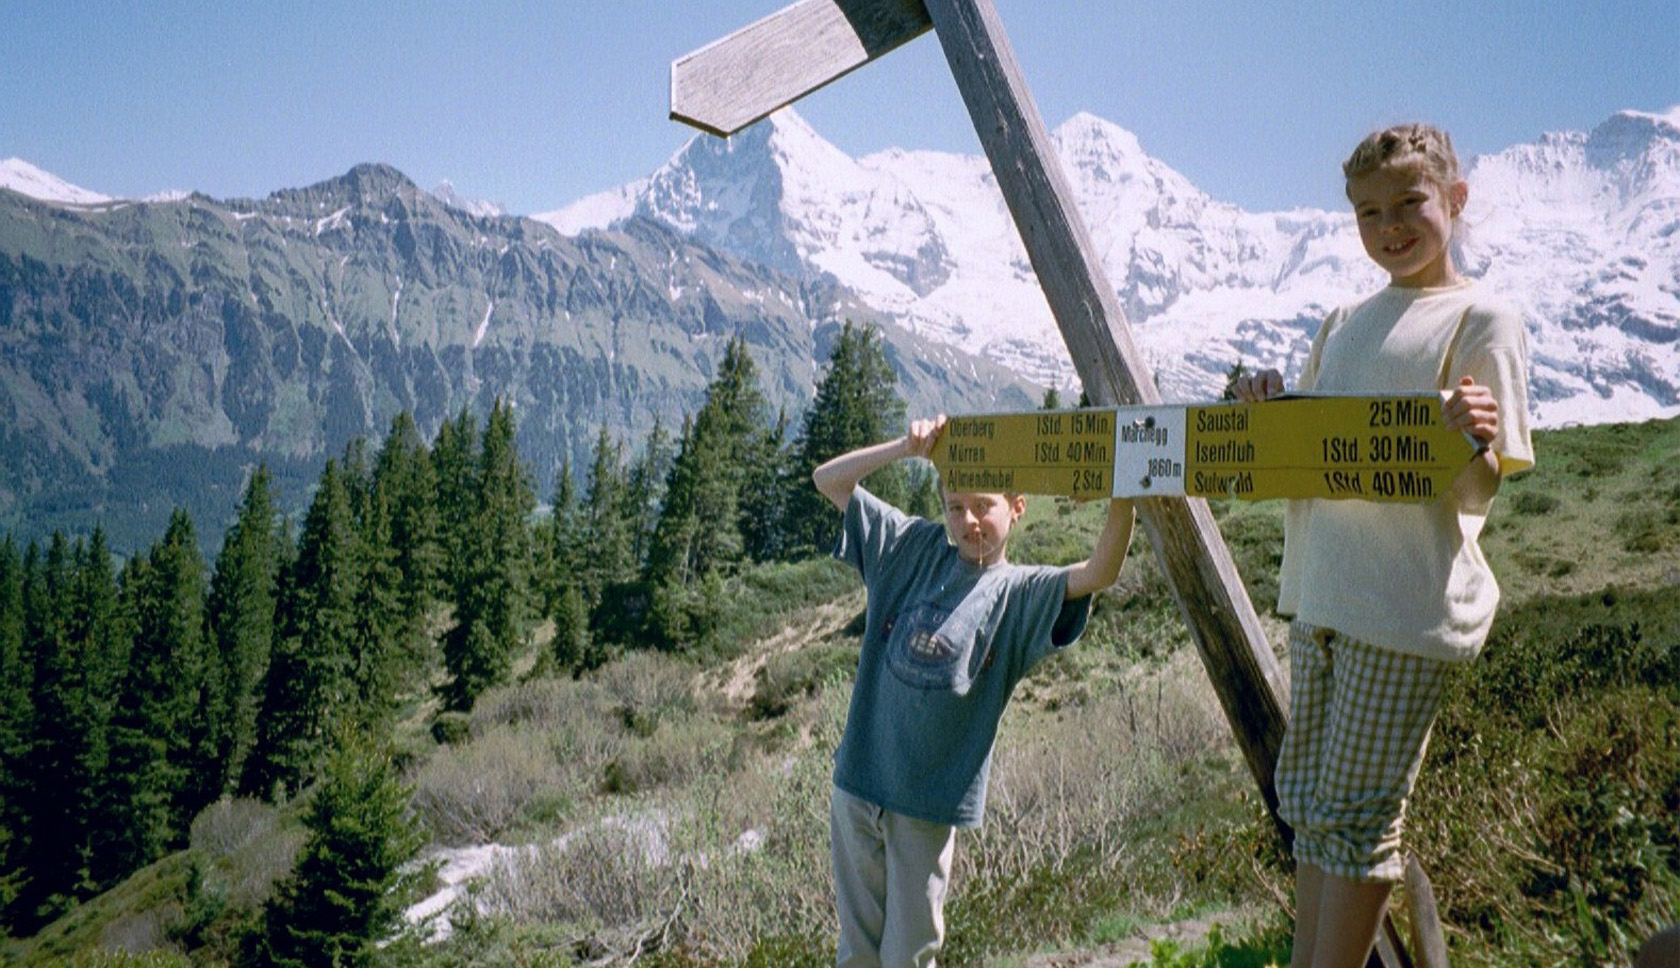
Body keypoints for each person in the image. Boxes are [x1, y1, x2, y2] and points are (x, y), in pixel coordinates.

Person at [1232, 123, 1534, 967]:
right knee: (1313, 809)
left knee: (1359, 815)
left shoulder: (1484, 316)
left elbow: (1485, 483)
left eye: (1409, 203)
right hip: (1323, 590)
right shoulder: (1344, 319)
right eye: (1369, 212)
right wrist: (1267, 409)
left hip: (1406, 604)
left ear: (1456, 200)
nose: (1390, 226)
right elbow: (1307, 459)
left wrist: (1470, 442)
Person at [812, 413, 1135, 968]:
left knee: (908, 955)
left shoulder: (1019, 592)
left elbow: (1100, 571)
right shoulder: (909, 546)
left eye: (983, 506)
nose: (968, 523)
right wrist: (907, 447)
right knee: (856, 955)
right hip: (859, 784)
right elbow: (829, 481)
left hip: (926, 805)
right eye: (955, 506)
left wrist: (1125, 494)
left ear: (1017, 505)